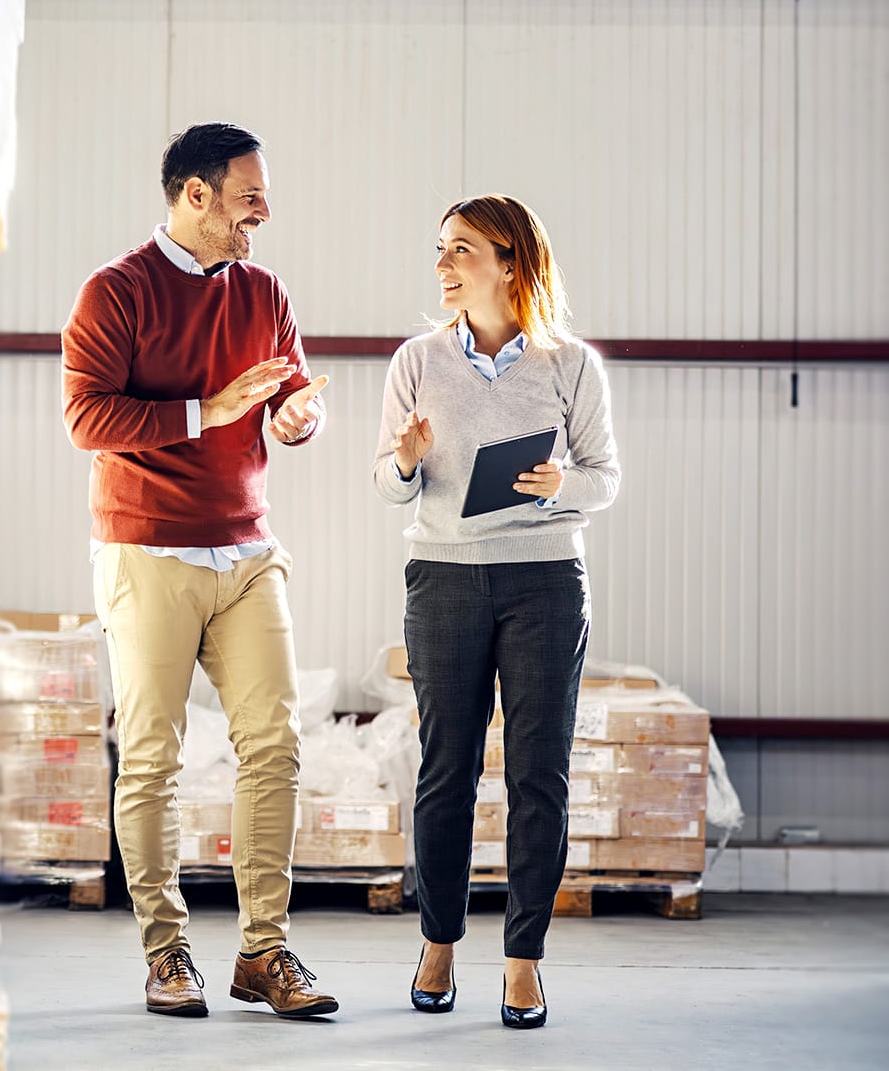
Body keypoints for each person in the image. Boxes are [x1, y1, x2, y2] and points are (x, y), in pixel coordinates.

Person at [61, 122, 335, 1019]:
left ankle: (265, 952)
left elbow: (292, 395)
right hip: (147, 549)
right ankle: (167, 951)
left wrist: (298, 420)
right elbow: (88, 420)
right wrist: (207, 410)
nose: (264, 213)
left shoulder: (264, 292)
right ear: (195, 196)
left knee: (275, 747)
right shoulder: (115, 293)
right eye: (248, 197)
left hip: (248, 548)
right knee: (152, 758)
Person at [372, 194, 621, 1030]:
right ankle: (438, 943)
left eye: (461, 250)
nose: (442, 265)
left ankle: (523, 963)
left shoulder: (570, 364)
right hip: (443, 576)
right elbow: (388, 484)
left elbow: (604, 477)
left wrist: (560, 490)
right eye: (439, 249)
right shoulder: (415, 360)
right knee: (445, 772)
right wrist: (405, 461)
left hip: (545, 581)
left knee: (537, 776)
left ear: (510, 262)